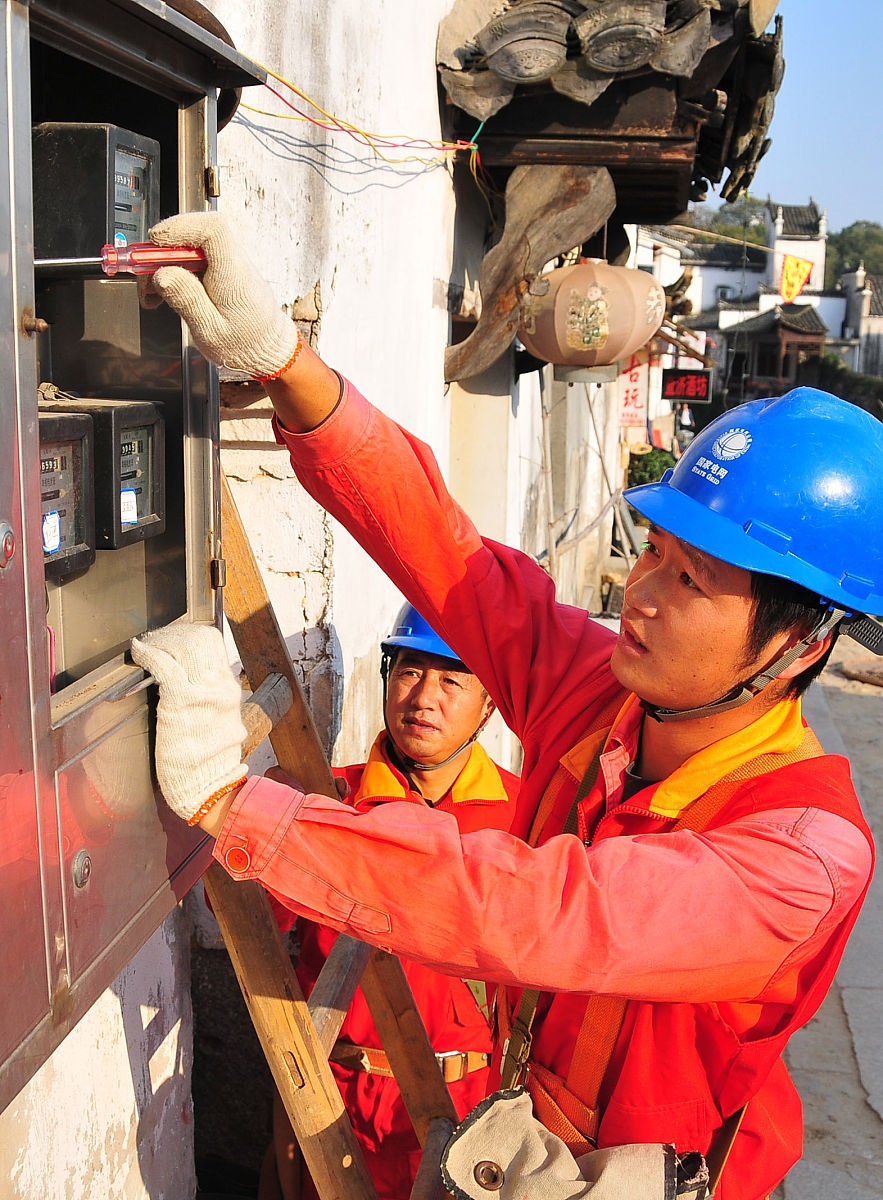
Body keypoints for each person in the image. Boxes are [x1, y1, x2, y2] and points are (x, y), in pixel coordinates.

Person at [132, 212, 880, 1200]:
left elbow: (547, 912)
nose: (641, 595)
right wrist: (285, 363)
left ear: (799, 642)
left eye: (691, 581)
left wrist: (238, 807)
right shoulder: (606, 698)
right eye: (652, 551)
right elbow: (450, 558)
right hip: (530, 1144)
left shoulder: (801, 857)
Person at [264, 604, 520, 1200]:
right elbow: (259, 918)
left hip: (468, 1103)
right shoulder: (329, 802)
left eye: (452, 680)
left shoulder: (524, 818)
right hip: (332, 1100)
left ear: (488, 705)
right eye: (408, 672)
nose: (423, 698)